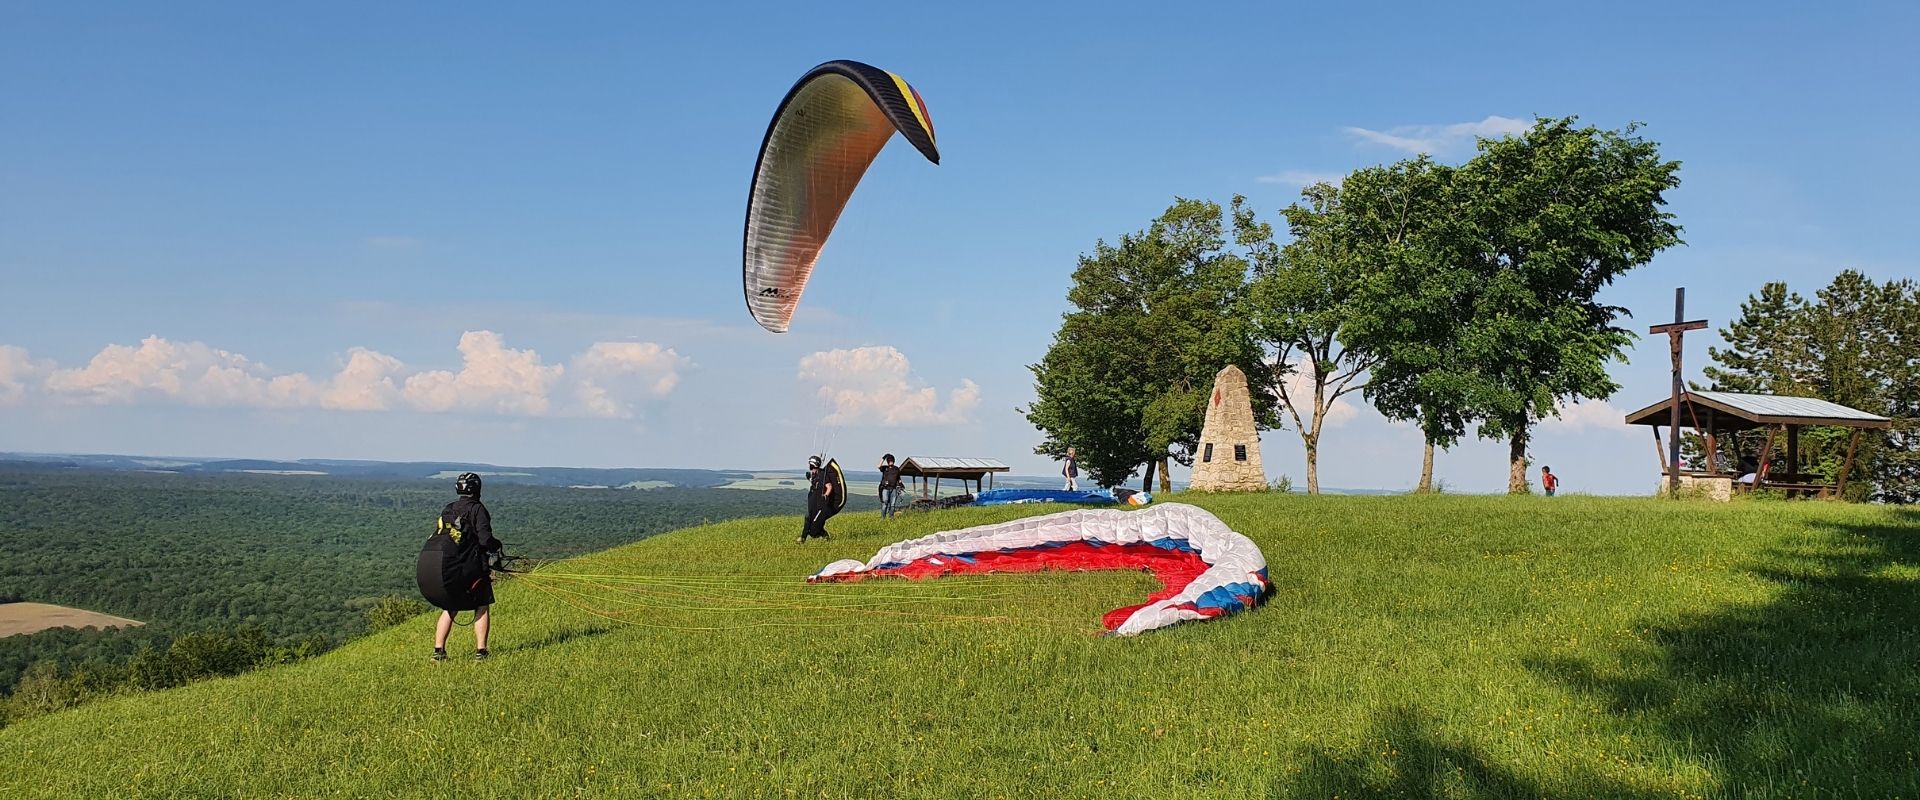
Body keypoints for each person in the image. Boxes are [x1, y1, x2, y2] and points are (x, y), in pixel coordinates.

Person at [415, 472, 502, 662]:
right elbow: (485, 539)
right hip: (467, 566)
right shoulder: (477, 509)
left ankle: (438, 651)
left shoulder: (449, 508)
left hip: (446, 567)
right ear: (477, 488)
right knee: (481, 604)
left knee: (449, 607)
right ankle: (481, 651)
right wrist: (496, 546)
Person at [800, 455, 837, 542]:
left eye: (810, 465)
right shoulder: (815, 475)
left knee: (814, 530)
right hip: (813, 501)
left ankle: (824, 535)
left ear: (813, 465)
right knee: (808, 517)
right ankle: (803, 538)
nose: (809, 467)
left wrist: (825, 495)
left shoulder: (822, 475)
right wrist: (809, 478)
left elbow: (829, 486)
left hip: (820, 503)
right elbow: (816, 484)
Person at [876, 453, 904, 520]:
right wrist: (883, 458)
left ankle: (891, 518)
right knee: (885, 503)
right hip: (885, 488)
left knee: (892, 504)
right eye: (889, 460)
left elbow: (898, 478)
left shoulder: (896, 469)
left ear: (893, 461)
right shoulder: (885, 468)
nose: (890, 461)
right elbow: (878, 466)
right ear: (887, 461)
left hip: (893, 489)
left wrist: (901, 485)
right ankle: (883, 518)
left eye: (891, 460)